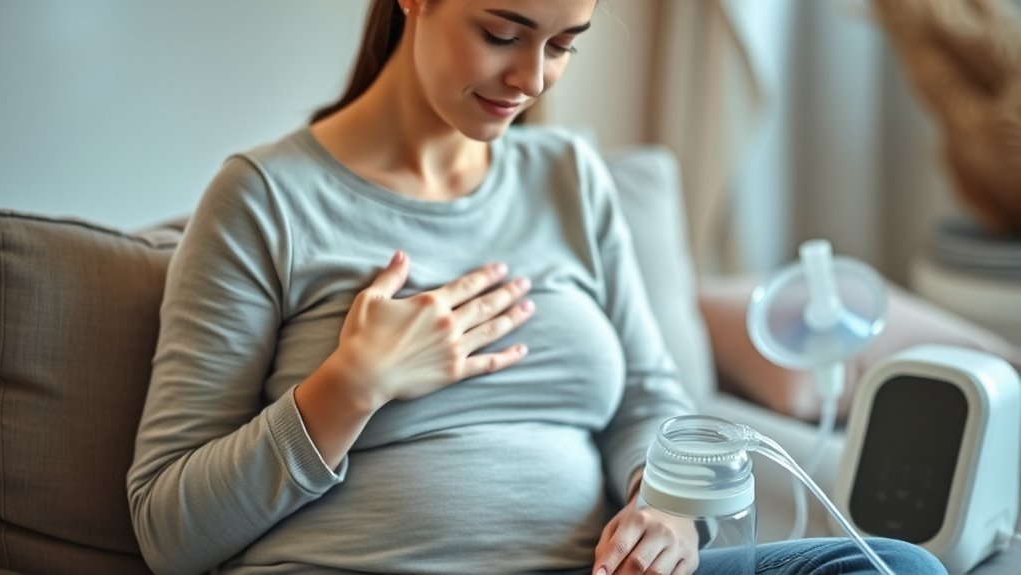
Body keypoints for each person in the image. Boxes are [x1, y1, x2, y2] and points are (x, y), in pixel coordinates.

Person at [127, 1, 948, 574]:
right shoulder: (263, 199)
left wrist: (661, 507)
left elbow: (648, 398)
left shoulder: (569, 177)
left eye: (563, 45)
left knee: (895, 566)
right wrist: (351, 386)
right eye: (501, 32)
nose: (530, 79)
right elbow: (169, 530)